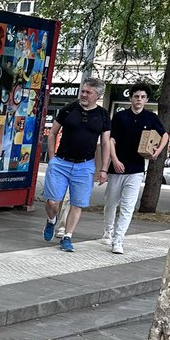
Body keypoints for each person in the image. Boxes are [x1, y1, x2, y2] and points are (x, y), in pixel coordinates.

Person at [42, 76, 111, 252]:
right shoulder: (69, 109)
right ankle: (51, 221)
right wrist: (52, 159)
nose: (84, 94)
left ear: (97, 96)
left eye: (89, 92)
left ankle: (67, 237)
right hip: (61, 162)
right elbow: (52, 133)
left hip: (85, 165)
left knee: (77, 203)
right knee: (52, 202)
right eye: (83, 91)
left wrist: (103, 169)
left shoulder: (102, 115)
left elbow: (105, 143)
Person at [102, 82, 168, 254]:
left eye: (142, 97)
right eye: (136, 96)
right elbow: (111, 140)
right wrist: (114, 160)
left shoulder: (151, 118)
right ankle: (108, 231)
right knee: (111, 203)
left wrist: (156, 153)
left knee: (128, 206)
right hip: (117, 167)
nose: (139, 99)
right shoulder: (120, 116)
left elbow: (165, 135)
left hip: (137, 168)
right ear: (130, 98)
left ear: (146, 99)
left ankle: (118, 240)